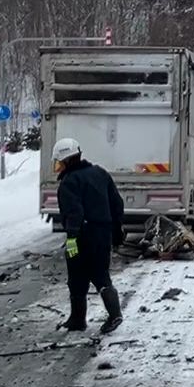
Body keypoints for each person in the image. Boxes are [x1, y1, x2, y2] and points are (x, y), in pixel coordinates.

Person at [52, 137, 124, 334]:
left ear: (66, 160)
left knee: (76, 277)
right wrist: (117, 231)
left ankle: (78, 319)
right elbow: (116, 204)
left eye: (58, 162)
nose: (57, 167)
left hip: (82, 236)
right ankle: (113, 314)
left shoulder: (69, 182)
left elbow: (74, 213)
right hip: (103, 234)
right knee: (101, 274)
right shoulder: (100, 173)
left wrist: (72, 240)